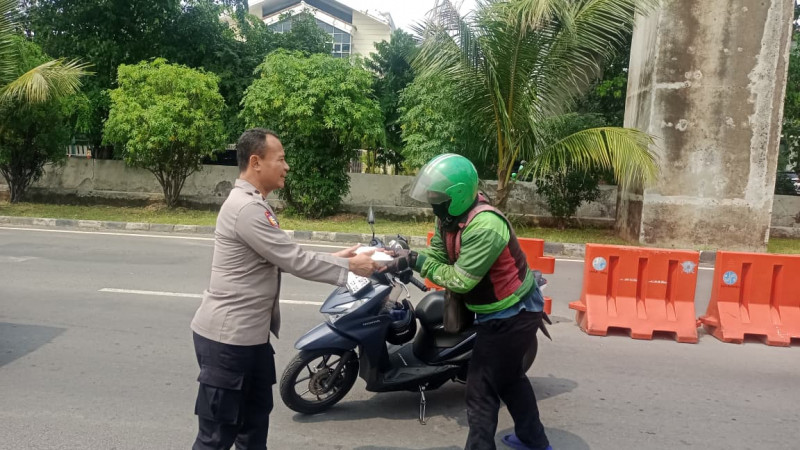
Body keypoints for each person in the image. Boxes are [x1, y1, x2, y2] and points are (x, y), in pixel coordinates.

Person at [190, 128, 380, 450]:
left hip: (251, 340)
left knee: (253, 430)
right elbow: (294, 260)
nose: (287, 166)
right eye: (280, 159)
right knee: (216, 438)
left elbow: (280, 256)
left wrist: (336, 257)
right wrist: (352, 268)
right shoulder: (247, 209)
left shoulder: (255, 205)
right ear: (256, 162)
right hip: (228, 343)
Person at [383, 154, 552, 450]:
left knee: (480, 390)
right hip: (496, 312)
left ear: (458, 195)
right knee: (510, 377)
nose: (433, 202)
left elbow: (461, 280)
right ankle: (533, 439)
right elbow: (437, 252)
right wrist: (408, 262)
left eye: (438, 197)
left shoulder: (485, 226)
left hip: (512, 314)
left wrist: (418, 261)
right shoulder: (449, 216)